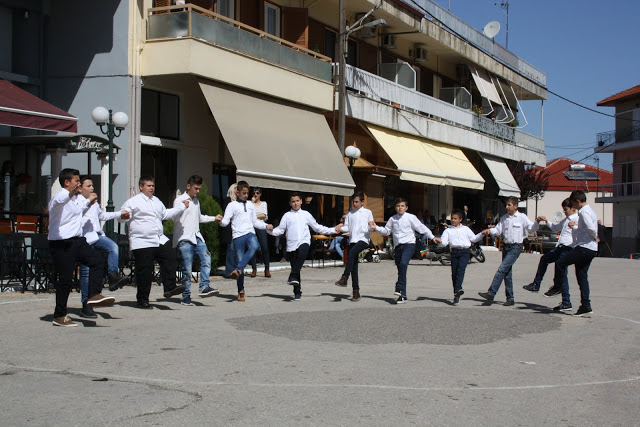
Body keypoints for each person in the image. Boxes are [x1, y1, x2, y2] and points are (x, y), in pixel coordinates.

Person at [48, 168, 114, 327]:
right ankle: (59, 315)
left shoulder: (74, 201)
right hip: (62, 244)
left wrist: (88, 202)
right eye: (76, 181)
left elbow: (78, 211)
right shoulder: (58, 198)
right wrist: (71, 192)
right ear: (67, 182)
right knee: (65, 280)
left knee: (97, 262)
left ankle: (93, 295)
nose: (79, 184)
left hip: (77, 241)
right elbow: (62, 199)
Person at [119, 176, 188, 309]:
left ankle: (169, 287)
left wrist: (181, 208)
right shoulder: (133, 202)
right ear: (141, 187)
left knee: (170, 255)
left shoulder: (156, 201)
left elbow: (165, 214)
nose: (151, 188)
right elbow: (122, 217)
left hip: (158, 238)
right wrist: (123, 217)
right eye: (148, 185)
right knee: (145, 270)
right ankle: (142, 300)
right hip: (142, 241)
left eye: (153, 186)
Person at [266, 192, 338, 301]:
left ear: (301, 201)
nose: (295, 203)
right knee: (296, 267)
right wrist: (269, 230)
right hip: (291, 245)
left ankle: (292, 276)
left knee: (300, 258)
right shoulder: (287, 216)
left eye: (297, 201)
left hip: (304, 241)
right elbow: (280, 230)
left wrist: (332, 230)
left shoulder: (306, 214)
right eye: (293, 201)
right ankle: (297, 291)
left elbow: (317, 227)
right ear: (290, 203)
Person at [77, 176, 130, 319]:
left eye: (92, 185)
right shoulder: (77, 202)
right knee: (86, 272)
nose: (92, 188)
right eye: (88, 186)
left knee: (113, 247)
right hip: (85, 239)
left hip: (97, 236)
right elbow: (75, 216)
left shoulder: (93, 203)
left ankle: (113, 276)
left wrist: (120, 213)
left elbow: (102, 216)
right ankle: (86, 304)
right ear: (80, 188)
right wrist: (88, 203)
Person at [372, 197, 436, 304]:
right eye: (398, 206)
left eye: (402, 206)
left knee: (403, 264)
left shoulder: (411, 217)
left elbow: (421, 228)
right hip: (398, 247)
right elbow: (386, 232)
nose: (400, 208)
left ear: (406, 207)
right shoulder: (392, 219)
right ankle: (403, 295)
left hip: (409, 245)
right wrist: (375, 227)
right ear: (395, 208)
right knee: (401, 269)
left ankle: (399, 287)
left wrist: (432, 237)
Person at [478, 196, 540, 306]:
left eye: (509, 205)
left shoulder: (522, 217)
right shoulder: (504, 218)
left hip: (515, 247)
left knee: (502, 269)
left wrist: (537, 222)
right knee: (507, 273)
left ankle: (491, 293)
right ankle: (510, 298)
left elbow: (531, 228)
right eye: (506, 205)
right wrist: (489, 230)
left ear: (515, 206)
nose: (507, 207)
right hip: (506, 247)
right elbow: (497, 230)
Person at [215, 180, 266, 301]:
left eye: (247, 193)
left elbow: (255, 222)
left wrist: (266, 226)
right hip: (237, 236)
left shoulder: (250, 205)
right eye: (243, 193)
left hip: (250, 233)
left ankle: (238, 268)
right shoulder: (231, 205)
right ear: (237, 192)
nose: (246, 195)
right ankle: (241, 290)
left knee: (254, 246)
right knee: (239, 260)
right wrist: (221, 222)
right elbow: (226, 221)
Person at [173, 175, 219, 306]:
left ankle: (204, 286)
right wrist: (182, 208)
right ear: (188, 186)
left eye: (199, 189)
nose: (198, 191)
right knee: (187, 269)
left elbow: (199, 218)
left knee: (206, 258)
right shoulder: (179, 200)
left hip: (197, 236)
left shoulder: (196, 201)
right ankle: (186, 296)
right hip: (184, 238)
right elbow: (174, 219)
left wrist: (214, 218)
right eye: (196, 188)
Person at [552, 190, 599, 316]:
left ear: (578, 201)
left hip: (584, 248)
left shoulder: (583, 212)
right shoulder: (590, 210)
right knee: (582, 276)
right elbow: (588, 227)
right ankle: (585, 305)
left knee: (561, 262)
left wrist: (594, 236)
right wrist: (577, 228)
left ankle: (558, 287)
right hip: (592, 248)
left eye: (573, 204)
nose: (574, 207)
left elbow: (591, 228)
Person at [522, 198, 577, 294]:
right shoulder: (566, 220)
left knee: (562, 272)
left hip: (567, 247)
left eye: (566, 209)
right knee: (545, 259)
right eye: (563, 209)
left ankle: (565, 299)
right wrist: (547, 221)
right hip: (560, 247)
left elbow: (580, 232)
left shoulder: (577, 219)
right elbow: (555, 229)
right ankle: (536, 284)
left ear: (573, 208)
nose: (564, 212)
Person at [439, 208, 484, 306]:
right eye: (452, 218)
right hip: (454, 252)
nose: (453, 220)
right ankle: (457, 294)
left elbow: (474, 239)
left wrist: (482, 234)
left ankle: (458, 289)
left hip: (465, 252)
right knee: (454, 273)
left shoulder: (466, 229)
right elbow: (444, 243)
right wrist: (440, 242)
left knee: (460, 270)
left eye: (455, 219)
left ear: (460, 219)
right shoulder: (448, 230)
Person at [334, 192, 374, 302]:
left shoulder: (367, 212)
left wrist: (371, 227)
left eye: (357, 202)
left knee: (351, 254)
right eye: (353, 202)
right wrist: (340, 228)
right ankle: (356, 292)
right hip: (353, 240)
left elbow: (370, 227)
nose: (355, 204)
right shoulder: (350, 213)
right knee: (354, 267)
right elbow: (347, 227)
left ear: (362, 202)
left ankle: (344, 277)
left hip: (363, 239)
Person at [249, 187, 271, 278]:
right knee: (252, 248)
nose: (255, 195)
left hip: (261, 226)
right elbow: (247, 214)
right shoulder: (250, 204)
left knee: (264, 247)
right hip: (251, 227)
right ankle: (254, 268)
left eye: (257, 193)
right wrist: (251, 202)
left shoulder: (264, 203)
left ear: (260, 194)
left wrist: (254, 217)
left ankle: (267, 269)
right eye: (254, 193)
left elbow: (264, 215)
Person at [221, 183, 237, 278]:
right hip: (229, 229)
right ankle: (229, 271)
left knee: (236, 249)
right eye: (236, 189)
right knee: (231, 249)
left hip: (237, 228)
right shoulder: (227, 200)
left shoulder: (239, 201)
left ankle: (236, 270)